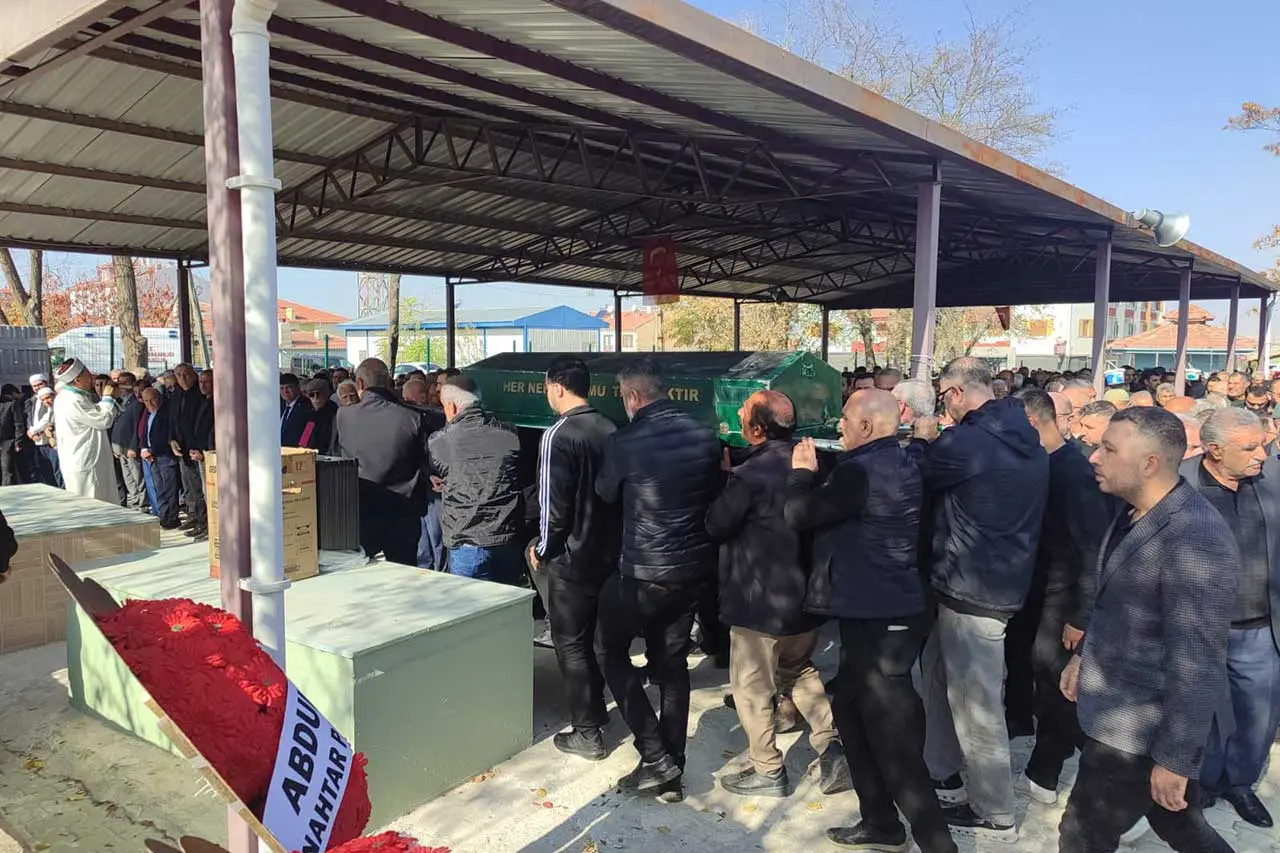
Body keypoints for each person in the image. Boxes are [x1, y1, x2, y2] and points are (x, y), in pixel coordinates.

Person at [1058, 407, 1238, 852]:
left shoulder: (1195, 536)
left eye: (1108, 449)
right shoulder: (1133, 510)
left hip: (1140, 729)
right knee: (1180, 826)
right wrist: (1083, 656)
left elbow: (1198, 660)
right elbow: (1115, 602)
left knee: (1081, 834)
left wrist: (1175, 759)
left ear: (1149, 463)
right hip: (1120, 710)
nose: (1094, 457)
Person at [785, 389, 955, 853]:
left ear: (865, 426)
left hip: (885, 616)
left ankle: (937, 843)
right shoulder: (904, 458)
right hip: (871, 609)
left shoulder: (860, 472)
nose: (837, 426)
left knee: (892, 735)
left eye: (843, 418)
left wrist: (801, 475)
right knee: (849, 708)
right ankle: (880, 822)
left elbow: (798, 514)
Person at [915, 357, 1048, 842]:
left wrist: (923, 439)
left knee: (978, 706)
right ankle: (941, 772)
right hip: (991, 581)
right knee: (939, 680)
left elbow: (919, 473)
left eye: (942, 396)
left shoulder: (969, 442)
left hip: (973, 591)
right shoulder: (1023, 432)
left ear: (955, 393)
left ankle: (995, 811)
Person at [707, 390, 850, 800]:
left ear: (756, 428)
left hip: (759, 603)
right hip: (806, 599)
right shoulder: (814, 464)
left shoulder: (749, 476)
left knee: (751, 687)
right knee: (799, 670)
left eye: (744, 410)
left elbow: (716, 525)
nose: (737, 412)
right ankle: (832, 746)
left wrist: (726, 482)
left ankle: (767, 768)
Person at [594, 357, 721, 799]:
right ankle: (672, 768)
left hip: (643, 570)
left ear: (633, 396)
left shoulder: (625, 441)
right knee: (671, 666)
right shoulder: (704, 435)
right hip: (691, 570)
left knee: (608, 649)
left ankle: (654, 753)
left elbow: (605, 493)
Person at [1011, 389, 1112, 805]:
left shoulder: (1073, 472)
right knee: (1046, 682)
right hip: (1041, 594)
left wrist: (1081, 616)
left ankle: (1053, 773)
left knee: (1059, 687)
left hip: (1065, 599)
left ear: (1032, 422)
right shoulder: (1042, 463)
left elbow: (1092, 549)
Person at [1183, 409, 1279, 828]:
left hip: (1258, 626)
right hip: (1196, 626)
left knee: (1258, 713)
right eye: (1250, 448)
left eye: (1262, 444)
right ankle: (1201, 782)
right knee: (1199, 710)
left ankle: (1240, 784)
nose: (1262, 454)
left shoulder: (1273, 478)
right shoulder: (1178, 485)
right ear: (1215, 450)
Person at [526, 357, 620, 762]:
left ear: (557, 387)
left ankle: (587, 731)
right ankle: (597, 710)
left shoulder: (557, 435)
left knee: (571, 643)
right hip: (608, 553)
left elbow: (553, 506)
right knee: (597, 640)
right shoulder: (610, 428)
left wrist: (543, 549)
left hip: (572, 557)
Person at [332, 359, 434, 565]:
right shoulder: (412, 417)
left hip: (362, 509)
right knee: (405, 574)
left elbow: (336, 457)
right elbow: (425, 461)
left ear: (359, 383)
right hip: (403, 511)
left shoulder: (343, 415)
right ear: (388, 382)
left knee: (361, 571)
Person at [430, 377, 524, 582]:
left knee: (469, 600)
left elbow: (440, 470)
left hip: (465, 538)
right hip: (505, 535)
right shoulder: (510, 434)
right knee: (508, 598)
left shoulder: (440, 441)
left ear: (451, 407)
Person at [51, 358, 119, 503]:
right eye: (88, 375)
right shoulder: (74, 399)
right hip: (86, 459)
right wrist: (108, 397)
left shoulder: (66, 397)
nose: (92, 378)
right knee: (94, 500)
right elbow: (103, 420)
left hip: (78, 458)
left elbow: (94, 414)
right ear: (77, 380)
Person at [171, 364, 207, 537]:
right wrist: (171, 440)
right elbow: (172, 420)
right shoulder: (177, 394)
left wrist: (198, 448)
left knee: (199, 488)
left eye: (186, 374)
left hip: (196, 450)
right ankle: (193, 516)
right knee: (189, 488)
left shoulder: (200, 395)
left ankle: (203, 522)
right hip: (181, 449)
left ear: (194, 375)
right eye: (178, 375)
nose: (182, 378)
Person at [139, 387, 180, 529]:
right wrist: (144, 448)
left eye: (152, 400)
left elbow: (165, 436)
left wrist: (151, 451)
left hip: (165, 456)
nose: (149, 404)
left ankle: (173, 517)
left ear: (159, 398)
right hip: (152, 458)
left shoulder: (166, 413)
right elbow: (145, 434)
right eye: (146, 401)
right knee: (159, 489)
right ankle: (164, 516)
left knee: (170, 489)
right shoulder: (149, 414)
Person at [110, 373, 147, 511]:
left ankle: (143, 503)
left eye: (125, 382)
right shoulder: (121, 401)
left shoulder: (137, 403)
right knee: (128, 477)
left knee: (137, 476)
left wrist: (133, 446)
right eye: (120, 382)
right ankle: (135, 501)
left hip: (130, 447)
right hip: (120, 446)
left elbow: (137, 427)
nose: (121, 385)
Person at [27, 387, 59, 487]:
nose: (46, 401)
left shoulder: (60, 407)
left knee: (59, 471)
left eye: (48, 398)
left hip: (60, 443)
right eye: (43, 400)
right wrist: (32, 431)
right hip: (49, 443)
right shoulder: (50, 408)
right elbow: (45, 421)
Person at [298, 379, 337, 452]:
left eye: (319, 394)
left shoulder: (334, 411)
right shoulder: (309, 412)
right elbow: (305, 438)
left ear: (326, 394)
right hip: (310, 453)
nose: (316, 397)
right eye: (312, 394)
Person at [0, 384, 26, 486]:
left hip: (8, 442)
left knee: (7, 470)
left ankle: (6, 491)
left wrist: (18, 441)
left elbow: (18, 424)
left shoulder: (11, 404)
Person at [279, 373, 310, 447]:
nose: (285, 391)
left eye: (288, 387)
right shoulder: (279, 406)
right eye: (282, 388)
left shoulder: (307, 406)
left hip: (296, 451)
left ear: (298, 387)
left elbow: (308, 432)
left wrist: (301, 450)